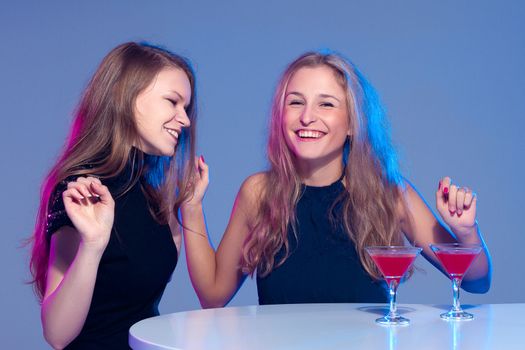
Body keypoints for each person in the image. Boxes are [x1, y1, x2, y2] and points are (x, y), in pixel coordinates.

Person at [182, 51, 492, 307]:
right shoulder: (258, 193)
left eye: (326, 104)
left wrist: (466, 233)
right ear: (281, 115)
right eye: (295, 102)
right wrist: (192, 207)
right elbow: (213, 295)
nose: (307, 116)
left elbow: (476, 282)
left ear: (352, 125)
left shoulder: (389, 193)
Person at [29, 42, 197, 349]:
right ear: (128, 98)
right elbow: (57, 335)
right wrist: (92, 247)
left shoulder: (149, 192)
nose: (184, 119)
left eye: (185, 108)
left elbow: (143, 309)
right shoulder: (83, 189)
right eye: (172, 102)